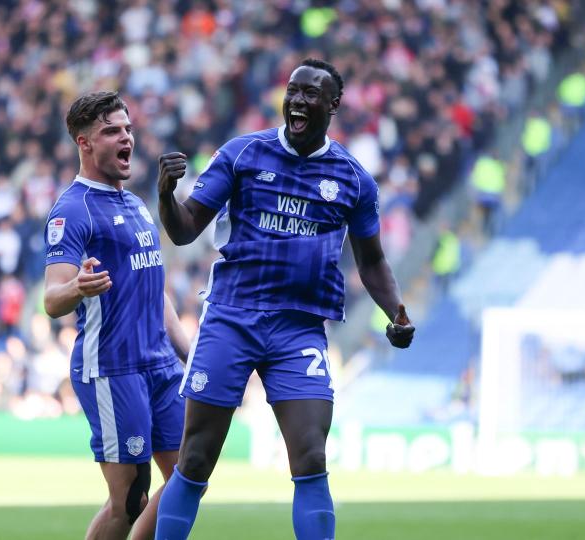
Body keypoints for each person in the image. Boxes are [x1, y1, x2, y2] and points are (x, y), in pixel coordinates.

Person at [154, 58, 415, 540]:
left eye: (311, 94)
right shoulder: (242, 154)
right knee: (194, 458)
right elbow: (185, 228)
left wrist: (395, 310)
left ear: (333, 105)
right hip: (231, 317)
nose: (297, 100)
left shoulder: (354, 180)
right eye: (292, 91)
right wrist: (166, 194)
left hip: (299, 327)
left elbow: (373, 261)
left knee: (312, 456)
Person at [43, 92, 191, 540]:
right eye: (112, 131)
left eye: (127, 128)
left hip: (160, 367)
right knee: (129, 500)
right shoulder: (73, 209)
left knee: (191, 475)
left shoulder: (138, 205)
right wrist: (77, 287)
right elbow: (52, 299)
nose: (126, 137)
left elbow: (155, 293)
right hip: (113, 368)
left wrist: (193, 356)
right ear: (84, 143)